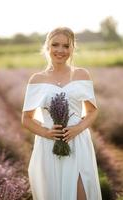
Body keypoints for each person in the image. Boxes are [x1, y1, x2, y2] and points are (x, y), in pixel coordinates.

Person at [21, 27, 102, 200]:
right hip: (48, 146)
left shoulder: (82, 75)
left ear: (72, 48)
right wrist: (47, 133)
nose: (60, 50)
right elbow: (26, 119)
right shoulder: (36, 80)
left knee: (82, 193)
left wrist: (77, 129)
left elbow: (92, 111)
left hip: (78, 142)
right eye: (55, 45)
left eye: (66, 46)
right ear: (47, 47)